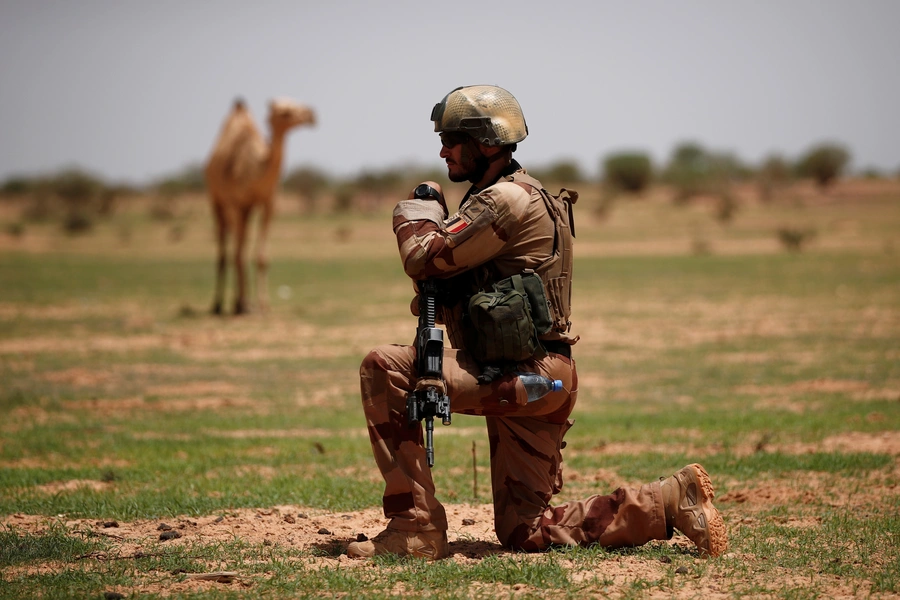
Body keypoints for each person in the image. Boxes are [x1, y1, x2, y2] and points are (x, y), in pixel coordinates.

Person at [347, 85, 727, 560]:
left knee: (383, 368)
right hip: (541, 377)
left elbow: (422, 259)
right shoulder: (526, 193)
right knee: (524, 531)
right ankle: (670, 502)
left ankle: (415, 526)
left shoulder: (502, 201)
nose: (442, 149)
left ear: (485, 143)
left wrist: (418, 211)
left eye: (451, 138)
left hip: (521, 374)